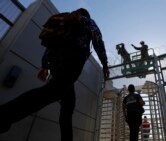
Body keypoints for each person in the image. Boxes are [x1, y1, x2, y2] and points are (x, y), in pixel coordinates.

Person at [0, 8, 109, 141]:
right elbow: (97, 38)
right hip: (73, 59)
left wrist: (45, 65)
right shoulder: (86, 20)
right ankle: (4, 116)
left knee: (68, 104)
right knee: (53, 91)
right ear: (85, 14)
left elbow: (50, 47)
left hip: (56, 62)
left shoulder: (64, 23)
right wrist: (104, 64)